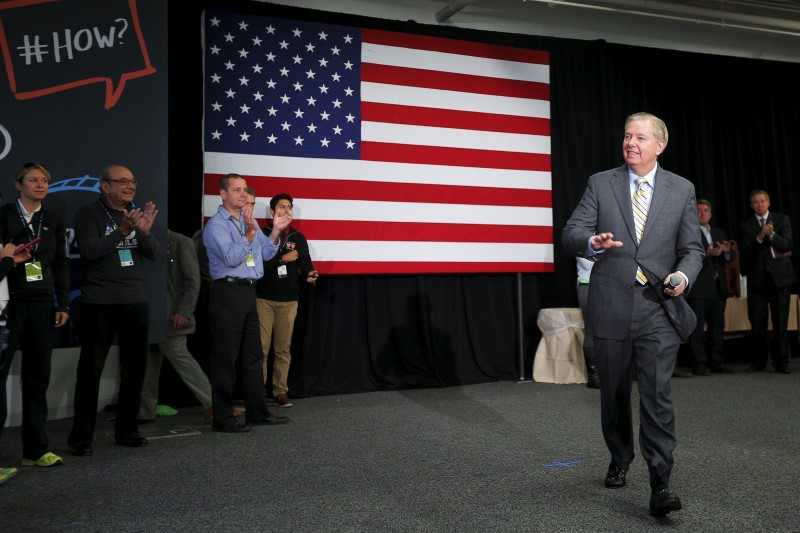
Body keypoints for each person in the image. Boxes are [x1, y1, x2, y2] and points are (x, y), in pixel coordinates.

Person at [562, 112, 704, 517]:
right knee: (615, 391)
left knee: (657, 394)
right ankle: (620, 456)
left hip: (658, 304)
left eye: (640, 137)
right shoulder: (600, 183)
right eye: (627, 136)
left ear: (660, 144)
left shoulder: (681, 189)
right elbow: (571, 231)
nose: (631, 144)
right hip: (609, 303)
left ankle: (661, 482)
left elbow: (692, 249)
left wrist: (682, 275)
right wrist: (592, 240)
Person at [67, 165, 160, 456]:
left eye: (132, 181)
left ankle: (127, 430)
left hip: (134, 300)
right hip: (100, 302)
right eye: (122, 182)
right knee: (90, 371)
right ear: (104, 186)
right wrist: (123, 230)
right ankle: (81, 437)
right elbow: (90, 251)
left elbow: (155, 254)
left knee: (135, 369)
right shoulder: (88, 214)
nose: (129, 186)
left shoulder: (135, 214)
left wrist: (143, 232)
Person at [202, 173, 290, 432]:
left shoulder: (245, 221)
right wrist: (251, 233)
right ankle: (224, 418)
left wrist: (274, 231)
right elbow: (230, 258)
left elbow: (265, 253)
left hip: (249, 292)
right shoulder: (217, 225)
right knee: (226, 359)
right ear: (223, 194)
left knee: (254, 356)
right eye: (237, 190)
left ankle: (258, 412)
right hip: (227, 293)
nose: (243, 194)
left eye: (245, 190)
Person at [0, 163, 70, 469]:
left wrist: (63, 304)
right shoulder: (4, 215)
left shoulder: (52, 219)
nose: (40, 185)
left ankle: (36, 449)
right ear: (19, 184)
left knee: (37, 377)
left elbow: (61, 264)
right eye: (33, 180)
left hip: (42, 303)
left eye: (44, 181)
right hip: (9, 303)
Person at [139, 230, 213, 424]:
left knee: (181, 358)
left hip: (172, 315)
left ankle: (213, 404)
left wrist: (184, 311)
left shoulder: (181, 241)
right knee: (146, 363)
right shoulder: (135, 239)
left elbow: (192, 281)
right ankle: (145, 412)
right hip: (146, 314)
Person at [256, 193, 318, 407]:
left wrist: (310, 273)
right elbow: (255, 266)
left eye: (289, 207)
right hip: (263, 299)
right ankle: (257, 393)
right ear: (273, 211)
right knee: (261, 349)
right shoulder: (261, 234)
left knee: (283, 349)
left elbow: (306, 262)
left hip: (289, 301)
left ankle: (280, 391)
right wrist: (282, 259)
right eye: (282, 206)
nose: (287, 210)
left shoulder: (297, 237)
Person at [738, 189, 796, 374]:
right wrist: (760, 237)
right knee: (758, 324)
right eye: (755, 202)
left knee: (781, 323)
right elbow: (745, 250)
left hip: (780, 279)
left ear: (768, 202)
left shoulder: (781, 219)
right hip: (757, 281)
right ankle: (759, 362)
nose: (759, 204)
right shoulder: (746, 225)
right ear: (751, 205)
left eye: (762, 201)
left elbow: (787, 245)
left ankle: (782, 362)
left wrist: (771, 235)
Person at [686, 199, 736, 375]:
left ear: (710, 214)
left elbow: (729, 259)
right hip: (699, 287)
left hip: (718, 287)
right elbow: (685, 256)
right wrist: (706, 254)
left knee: (717, 328)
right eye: (698, 211)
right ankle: (699, 364)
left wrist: (728, 251)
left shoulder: (719, 232)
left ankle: (717, 362)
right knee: (697, 328)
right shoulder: (688, 232)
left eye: (705, 210)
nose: (702, 213)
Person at [576, 256, 599, 389]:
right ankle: (594, 375)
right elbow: (587, 263)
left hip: (615, 286)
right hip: (588, 284)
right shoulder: (583, 236)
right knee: (591, 328)